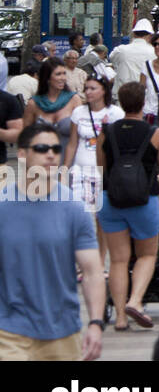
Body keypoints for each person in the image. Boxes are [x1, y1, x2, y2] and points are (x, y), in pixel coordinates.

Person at [0, 123, 106, 360]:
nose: (50, 154)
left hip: (63, 332)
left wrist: (96, 324)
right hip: (8, 332)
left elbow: (92, 271)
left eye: (56, 149)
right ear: (21, 154)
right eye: (41, 148)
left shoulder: (74, 209)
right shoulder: (2, 206)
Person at [95, 80, 159, 331]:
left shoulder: (106, 132)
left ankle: (119, 317)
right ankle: (136, 301)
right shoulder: (156, 134)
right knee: (147, 254)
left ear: (120, 101)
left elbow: (101, 167)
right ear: (143, 103)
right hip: (144, 200)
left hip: (111, 199)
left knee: (118, 260)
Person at [66, 75, 122, 237]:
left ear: (104, 90)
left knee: (101, 218)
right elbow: (72, 143)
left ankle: (99, 255)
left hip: (103, 172)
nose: (88, 92)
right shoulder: (78, 113)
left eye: (93, 88)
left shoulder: (115, 113)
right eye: (86, 88)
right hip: (80, 171)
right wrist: (64, 169)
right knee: (78, 215)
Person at [109, 19, 156, 87]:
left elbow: (112, 58)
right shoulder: (154, 52)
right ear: (150, 36)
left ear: (134, 34)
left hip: (122, 92)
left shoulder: (121, 50)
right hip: (143, 93)